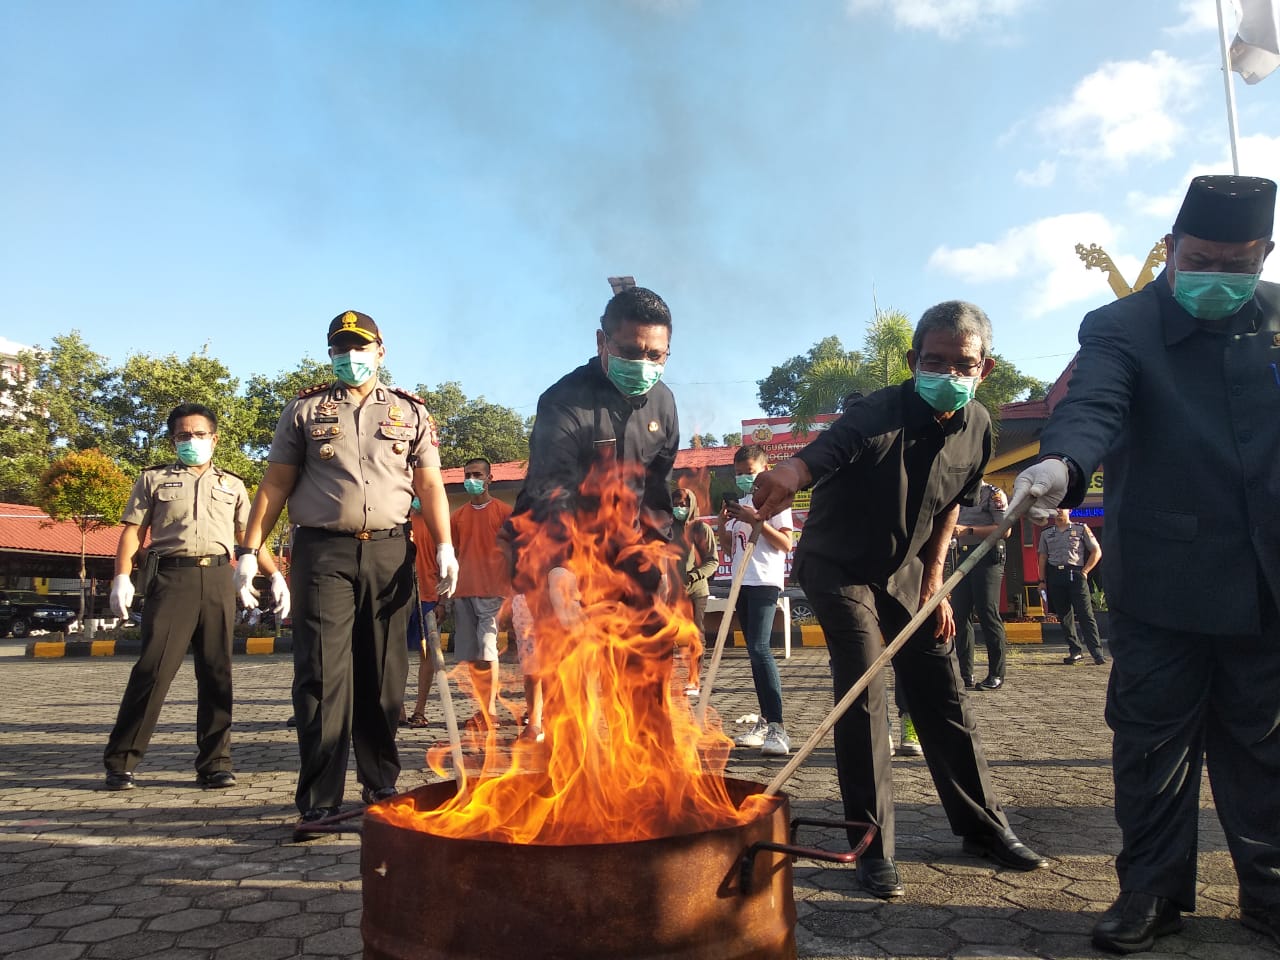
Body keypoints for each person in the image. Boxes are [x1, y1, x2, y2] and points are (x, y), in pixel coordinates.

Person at [1012, 174, 1280, 953]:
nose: (1217, 278)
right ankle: (1151, 895)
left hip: (1267, 582)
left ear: (1263, 253)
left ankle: (1268, 894)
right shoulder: (1121, 326)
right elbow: (1094, 404)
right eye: (1200, 259)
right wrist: (1061, 464)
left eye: (1237, 264)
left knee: (1265, 750)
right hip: (1163, 582)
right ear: (1170, 247)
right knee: (1152, 747)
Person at [753, 300, 1049, 901]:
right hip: (839, 567)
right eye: (934, 361)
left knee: (940, 688)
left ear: (983, 368)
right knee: (864, 686)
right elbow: (826, 452)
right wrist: (789, 473)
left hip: (910, 573)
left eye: (962, 364)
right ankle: (872, 844)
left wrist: (936, 585)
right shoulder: (877, 412)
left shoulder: (981, 426)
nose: (948, 373)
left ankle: (984, 828)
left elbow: (947, 509)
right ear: (914, 360)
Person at [236, 310, 458, 830]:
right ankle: (319, 797)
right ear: (331, 354)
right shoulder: (304, 411)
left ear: (381, 351)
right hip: (323, 554)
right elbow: (274, 486)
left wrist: (444, 544)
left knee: (384, 676)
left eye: (360, 348)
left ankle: (381, 781)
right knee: (321, 675)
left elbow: (429, 486)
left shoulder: (412, 412)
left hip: (389, 551)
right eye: (341, 349)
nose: (351, 358)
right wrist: (250, 551)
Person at [103, 403, 287, 791]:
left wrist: (276, 576)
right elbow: (132, 531)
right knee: (153, 670)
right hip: (171, 578)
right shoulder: (153, 480)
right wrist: (122, 575)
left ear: (214, 438)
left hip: (219, 578)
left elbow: (249, 538)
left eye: (199, 434)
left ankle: (215, 763)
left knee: (217, 672)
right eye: (183, 435)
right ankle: (122, 761)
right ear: (173, 440)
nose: (192, 441)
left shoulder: (233, 485)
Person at [503, 285, 679, 630]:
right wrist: (560, 564)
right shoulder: (563, 401)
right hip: (564, 554)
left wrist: (660, 556)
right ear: (601, 341)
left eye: (655, 355)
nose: (643, 365)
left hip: (629, 557)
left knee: (643, 666)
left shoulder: (664, 403)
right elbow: (552, 490)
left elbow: (657, 492)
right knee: (571, 670)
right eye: (630, 351)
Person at [719, 444, 794, 756]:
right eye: (738, 474)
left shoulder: (775, 502)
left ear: (765, 468)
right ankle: (763, 722)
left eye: (748, 473)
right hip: (740, 583)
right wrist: (722, 525)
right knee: (752, 651)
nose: (744, 479)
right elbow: (728, 549)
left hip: (763, 581)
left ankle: (777, 727)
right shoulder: (743, 505)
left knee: (761, 649)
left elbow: (786, 544)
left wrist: (756, 522)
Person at [449, 457, 513, 728]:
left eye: (477, 474)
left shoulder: (504, 512)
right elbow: (452, 552)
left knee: (489, 652)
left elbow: (514, 553)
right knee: (474, 657)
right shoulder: (458, 516)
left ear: (489, 479)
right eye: (467, 474)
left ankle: (491, 712)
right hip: (464, 591)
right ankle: (481, 709)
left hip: (493, 591)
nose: (471, 479)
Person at [951, 481, 1012, 689]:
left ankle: (996, 673)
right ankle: (965, 674)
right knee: (959, 614)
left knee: (987, 612)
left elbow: (1004, 530)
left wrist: (968, 530)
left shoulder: (993, 493)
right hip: (964, 554)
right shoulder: (957, 492)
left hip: (987, 553)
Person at [1036, 508, 1104, 666]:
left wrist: (1086, 571)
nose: (1058, 511)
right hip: (1055, 575)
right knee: (1064, 616)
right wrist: (1041, 580)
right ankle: (1075, 650)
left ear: (1070, 510)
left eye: (1062, 508)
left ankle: (1096, 652)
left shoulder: (1081, 528)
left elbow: (1096, 551)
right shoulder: (1046, 533)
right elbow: (1043, 557)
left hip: (1075, 573)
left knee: (1085, 614)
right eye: (1055, 508)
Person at [671, 485, 717, 696]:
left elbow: (712, 561)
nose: (680, 508)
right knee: (667, 635)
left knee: (696, 636)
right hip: (671, 592)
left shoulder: (701, 529)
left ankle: (694, 680)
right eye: (676, 504)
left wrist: (695, 575)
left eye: (684, 504)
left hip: (696, 591)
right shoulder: (667, 529)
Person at [403, 496, 440, 729]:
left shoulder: (436, 524)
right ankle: (397, 710)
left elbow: (446, 562)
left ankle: (419, 710)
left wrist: (443, 602)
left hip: (428, 597)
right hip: (397, 600)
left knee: (427, 656)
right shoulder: (395, 523)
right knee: (393, 656)